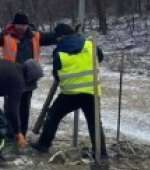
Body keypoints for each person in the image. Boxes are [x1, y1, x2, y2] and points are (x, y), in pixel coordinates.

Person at [0, 12, 56, 147]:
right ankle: (10, 135)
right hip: (10, 79)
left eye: (24, 24)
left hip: (29, 78)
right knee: (11, 107)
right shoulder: (6, 36)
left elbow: (53, 37)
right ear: (14, 24)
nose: (21, 27)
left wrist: (70, 32)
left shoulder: (36, 35)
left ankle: (22, 134)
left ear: (27, 25)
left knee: (24, 107)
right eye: (19, 24)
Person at [30, 23, 107, 158]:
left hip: (70, 93)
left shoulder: (59, 52)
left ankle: (43, 144)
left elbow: (56, 74)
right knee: (94, 123)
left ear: (59, 37)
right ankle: (101, 152)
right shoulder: (89, 44)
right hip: (91, 91)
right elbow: (100, 57)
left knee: (53, 115)